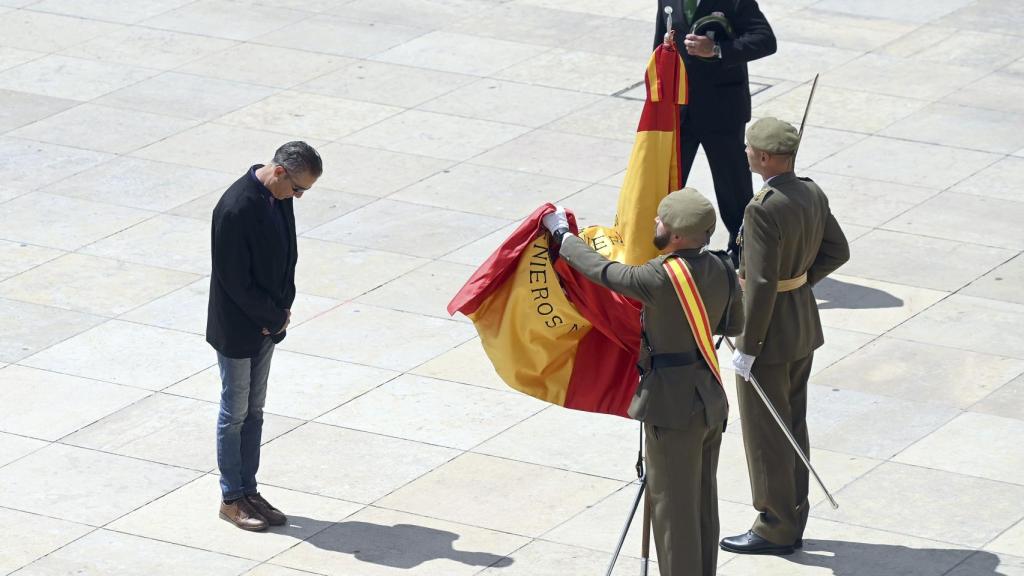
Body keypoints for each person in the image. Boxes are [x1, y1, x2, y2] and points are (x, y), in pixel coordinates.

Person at [542, 189, 743, 576]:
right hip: (708, 399)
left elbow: (605, 273)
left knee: (674, 513)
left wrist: (563, 238)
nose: (656, 224)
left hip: (671, 406)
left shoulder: (662, 276)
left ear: (679, 235)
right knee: (703, 504)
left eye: (661, 221)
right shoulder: (722, 268)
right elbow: (734, 324)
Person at [720, 118, 849, 555]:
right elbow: (838, 250)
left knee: (766, 434)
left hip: (769, 338)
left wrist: (747, 349)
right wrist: (798, 282)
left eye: (751, 150)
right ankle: (793, 514)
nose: (747, 154)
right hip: (802, 324)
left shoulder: (763, 207)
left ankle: (774, 525)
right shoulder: (811, 191)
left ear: (767, 158)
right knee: (792, 423)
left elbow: (757, 286)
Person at [206, 141, 321, 531]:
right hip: (240, 327)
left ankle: (249, 490)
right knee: (234, 413)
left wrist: (282, 311)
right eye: (298, 188)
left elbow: (287, 255)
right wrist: (272, 317)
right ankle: (231, 497)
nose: (299, 197)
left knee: (254, 412)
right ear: (279, 172)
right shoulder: (236, 208)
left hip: (269, 324)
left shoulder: (279, 196)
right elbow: (234, 280)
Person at [654, 0, 776, 265]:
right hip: (680, 111)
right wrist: (657, 100)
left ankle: (744, 251)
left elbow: (765, 40)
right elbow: (659, 45)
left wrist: (719, 50)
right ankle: (665, 245)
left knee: (733, 189)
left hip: (722, 111)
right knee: (668, 184)